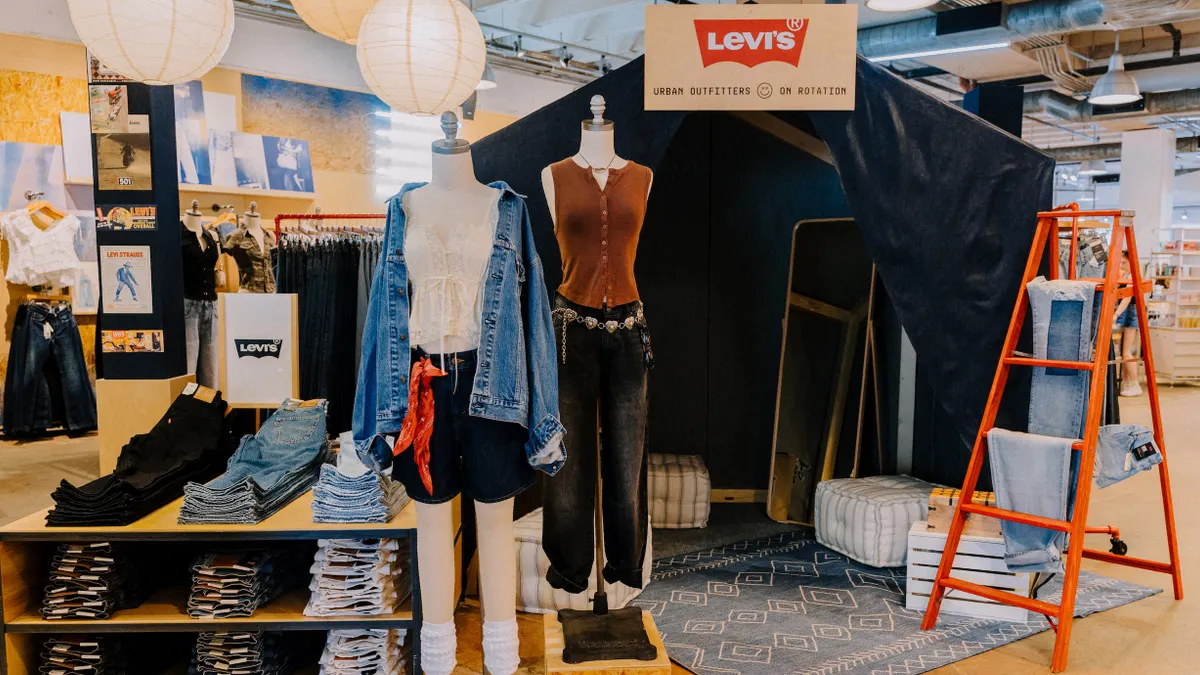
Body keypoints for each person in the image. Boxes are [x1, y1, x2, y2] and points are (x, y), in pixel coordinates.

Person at [1112, 250, 1142, 397]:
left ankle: (1135, 384)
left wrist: (1116, 314)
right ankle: (1127, 382)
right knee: (1123, 352)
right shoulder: (1125, 275)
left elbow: (1127, 299)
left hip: (1130, 313)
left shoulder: (1132, 277)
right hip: (1125, 313)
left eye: (1124, 262)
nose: (1121, 264)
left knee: (1126, 352)